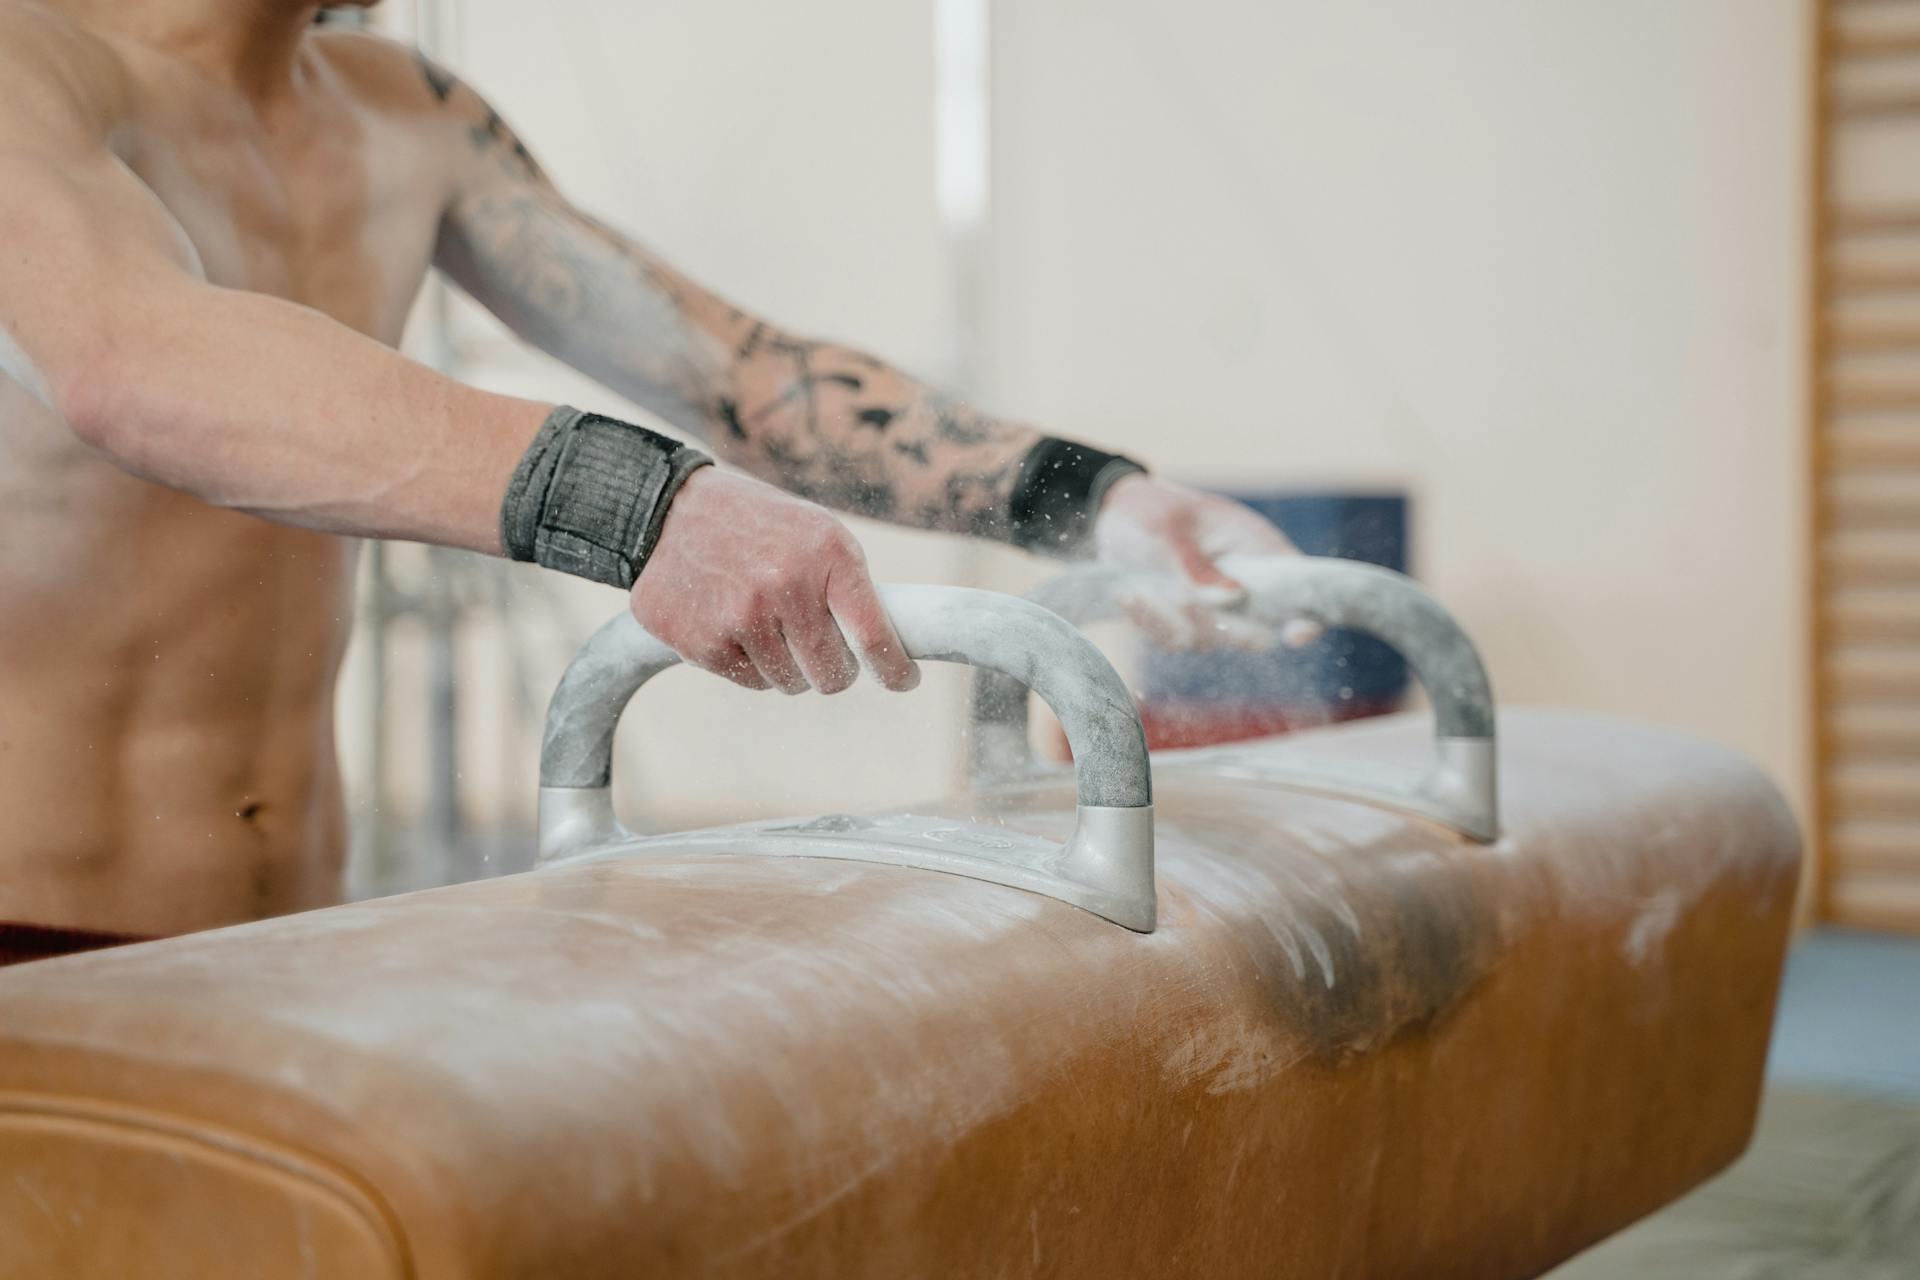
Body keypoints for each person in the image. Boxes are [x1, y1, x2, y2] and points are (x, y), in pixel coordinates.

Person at [0, 0, 1297, 950]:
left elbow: (736, 374)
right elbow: (134, 362)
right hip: (36, 940)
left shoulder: (403, 114)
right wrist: (646, 507)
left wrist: (1097, 498)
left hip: (282, 941)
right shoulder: (27, 66)